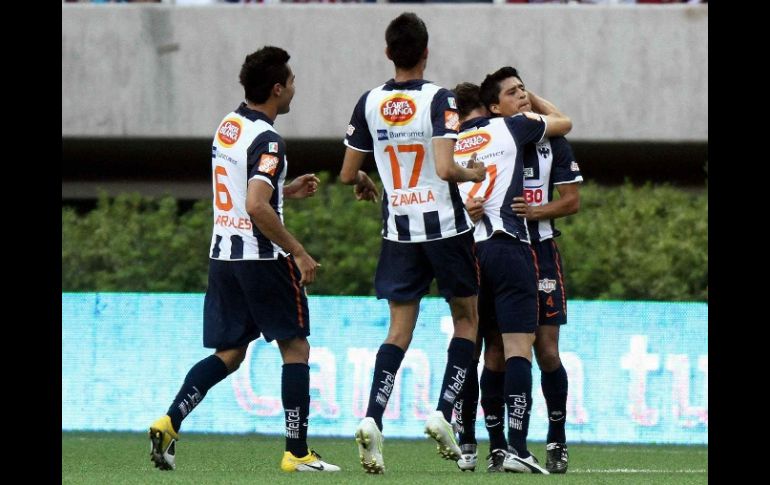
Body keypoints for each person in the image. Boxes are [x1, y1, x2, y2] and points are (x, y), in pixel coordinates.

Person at [148, 46, 340, 473]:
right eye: (290, 82)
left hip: (224, 256)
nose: (294, 88)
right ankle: (297, 452)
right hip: (261, 258)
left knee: (230, 352)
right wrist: (299, 250)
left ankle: (170, 420)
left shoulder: (229, 125)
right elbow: (255, 205)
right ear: (276, 89)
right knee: (296, 348)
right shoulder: (268, 139)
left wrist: (284, 191)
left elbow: (242, 192)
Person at [339, 12, 487, 474]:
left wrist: (365, 180)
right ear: (426, 51)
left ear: (388, 53)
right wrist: (474, 172)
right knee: (466, 320)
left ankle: (372, 417)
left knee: (398, 330)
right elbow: (446, 169)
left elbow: (346, 174)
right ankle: (443, 410)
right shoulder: (440, 98)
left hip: (398, 231)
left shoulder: (370, 100)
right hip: (445, 227)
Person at [454, 67, 581, 474]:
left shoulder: (548, 141)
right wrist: (466, 209)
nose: (524, 97)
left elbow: (572, 200)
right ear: (494, 107)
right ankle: (497, 446)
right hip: (496, 249)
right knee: (495, 351)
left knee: (545, 350)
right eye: (514, 92)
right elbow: (457, 187)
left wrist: (538, 211)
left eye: (526, 90)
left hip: (539, 250)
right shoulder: (488, 141)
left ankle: (556, 441)